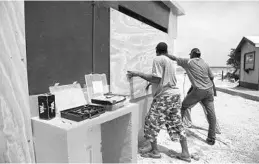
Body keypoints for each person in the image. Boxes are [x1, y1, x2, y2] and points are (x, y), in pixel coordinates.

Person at [127, 42, 191, 162]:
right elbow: (164, 79)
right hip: (175, 95)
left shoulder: (158, 59)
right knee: (176, 123)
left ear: (157, 51)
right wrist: (153, 84)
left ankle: (155, 151)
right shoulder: (169, 61)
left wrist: (137, 73)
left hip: (164, 97)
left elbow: (156, 78)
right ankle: (185, 153)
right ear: (166, 51)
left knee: (150, 122)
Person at [165, 48, 217, 145]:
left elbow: (174, 58)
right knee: (211, 114)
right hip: (209, 90)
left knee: (183, 107)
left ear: (192, 55)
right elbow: (212, 77)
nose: (189, 56)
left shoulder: (188, 62)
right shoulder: (205, 63)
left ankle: (178, 131)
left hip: (199, 91)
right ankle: (211, 138)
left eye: (190, 55)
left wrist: (164, 53)